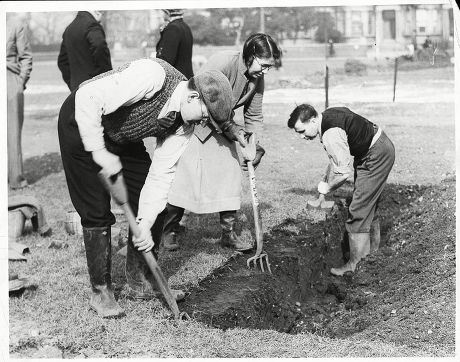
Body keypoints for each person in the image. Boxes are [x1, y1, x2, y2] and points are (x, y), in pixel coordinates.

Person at [58, 57, 242, 318]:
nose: (202, 123)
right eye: (204, 116)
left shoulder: (185, 124)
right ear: (193, 97)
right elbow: (88, 97)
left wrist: (143, 224)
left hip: (121, 133)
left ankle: (139, 280)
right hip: (80, 119)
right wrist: (98, 151)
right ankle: (101, 292)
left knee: (152, 197)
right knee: (96, 209)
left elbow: (160, 176)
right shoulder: (152, 76)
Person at [163, 33, 282, 252]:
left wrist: (255, 145)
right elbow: (206, 97)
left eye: (269, 67)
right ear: (251, 55)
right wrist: (231, 128)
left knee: (230, 174)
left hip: (224, 125)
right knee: (184, 177)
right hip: (196, 120)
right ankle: (169, 231)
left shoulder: (257, 79)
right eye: (264, 65)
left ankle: (228, 235)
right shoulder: (223, 63)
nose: (265, 71)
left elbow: (254, 115)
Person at [287, 104, 395, 276]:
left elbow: (343, 174)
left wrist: (327, 187)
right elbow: (335, 162)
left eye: (302, 131)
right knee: (369, 207)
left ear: (313, 120)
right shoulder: (328, 116)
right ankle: (372, 257)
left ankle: (356, 266)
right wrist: (324, 185)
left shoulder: (331, 134)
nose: (301, 137)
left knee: (359, 209)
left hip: (375, 154)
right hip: (375, 147)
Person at [7, 13, 33, 190]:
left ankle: (16, 179)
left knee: (12, 132)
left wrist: (20, 81)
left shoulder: (15, 23)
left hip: (9, 80)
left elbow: (26, 57)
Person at [57, 10, 112, 91]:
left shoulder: (69, 29)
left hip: (77, 90)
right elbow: (99, 46)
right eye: (103, 14)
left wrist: (72, 84)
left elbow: (62, 62)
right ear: (97, 11)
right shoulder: (92, 25)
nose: (102, 18)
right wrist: (106, 78)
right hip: (95, 88)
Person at [156, 9, 194, 79]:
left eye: (164, 12)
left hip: (176, 80)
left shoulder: (172, 28)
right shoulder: (185, 26)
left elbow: (166, 60)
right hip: (186, 77)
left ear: (168, 13)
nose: (162, 15)